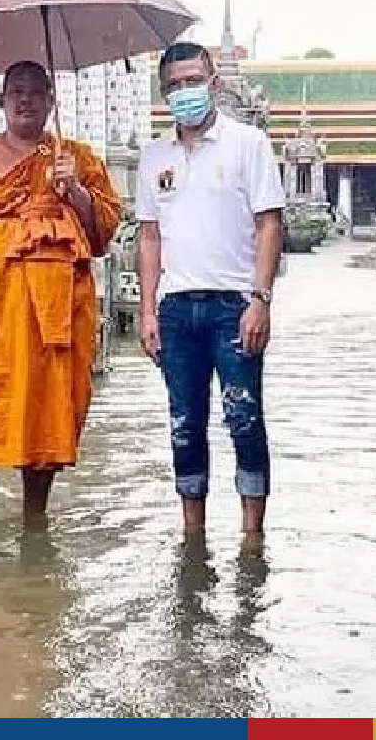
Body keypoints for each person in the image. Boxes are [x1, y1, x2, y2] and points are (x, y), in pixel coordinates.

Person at [0, 60, 123, 531]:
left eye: (36, 92)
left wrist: (75, 191)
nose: (25, 100)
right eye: (16, 91)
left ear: (51, 101)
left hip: (54, 317)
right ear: (1, 101)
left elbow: (101, 237)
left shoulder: (75, 159)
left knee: (45, 411)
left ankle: (35, 524)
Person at [135, 42, 286, 540]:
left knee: (244, 417)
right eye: (174, 86)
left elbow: (269, 224)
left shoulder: (248, 144)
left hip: (234, 307)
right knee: (184, 424)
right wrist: (147, 311)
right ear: (164, 94)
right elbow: (149, 237)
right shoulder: (155, 156)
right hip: (176, 310)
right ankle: (192, 535)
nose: (185, 92)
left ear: (213, 83)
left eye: (193, 81)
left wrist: (261, 300)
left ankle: (252, 539)